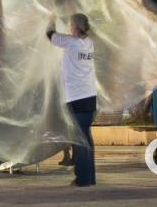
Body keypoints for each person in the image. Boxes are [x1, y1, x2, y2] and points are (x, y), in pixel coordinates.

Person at [47, 13, 97, 187]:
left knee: (79, 140)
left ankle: (82, 179)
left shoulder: (71, 42)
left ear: (74, 26)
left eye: (70, 25)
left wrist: (50, 19)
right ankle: (90, 178)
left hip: (76, 97)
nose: (69, 27)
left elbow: (50, 35)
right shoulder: (89, 43)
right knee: (86, 138)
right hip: (90, 96)